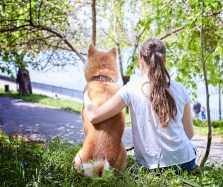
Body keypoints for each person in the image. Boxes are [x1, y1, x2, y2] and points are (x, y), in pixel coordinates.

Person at [83, 39, 196, 174]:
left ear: (140, 59)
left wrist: (86, 91)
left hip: (152, 168)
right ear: (164, 61)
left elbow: (94, 116)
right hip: (185, 163)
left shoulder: (130, 89)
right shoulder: (180, 88)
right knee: (191, 148)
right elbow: (189, 134)